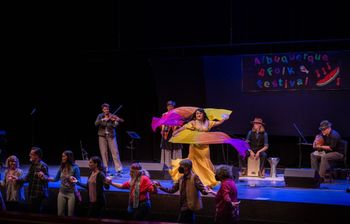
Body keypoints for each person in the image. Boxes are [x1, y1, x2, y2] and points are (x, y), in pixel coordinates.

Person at [170, 108, 228, 187]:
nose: (199, 115)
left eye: (200, 113)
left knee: (205, 161)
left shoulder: (208, 122)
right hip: (195, 145)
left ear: (203, 115)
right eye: (197, 113)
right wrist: (176, 131)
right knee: (193, 161)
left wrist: (224, 118)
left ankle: (206, 180)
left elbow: (218, 123)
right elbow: (184, 127)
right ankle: (192, 179)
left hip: (204, 146)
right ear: (195, 115)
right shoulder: (193, 123)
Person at [155, 159, 209, 223]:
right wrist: (161, 187)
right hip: (183, 206)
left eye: (181, 166)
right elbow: (172, 190)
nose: (180, 168)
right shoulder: (181, 178)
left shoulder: (194, 177)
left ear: (187, 167)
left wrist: (205, 190)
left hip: (189, 206)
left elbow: (202, 189)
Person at [11, 147, 49, 213]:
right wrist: (17, 179)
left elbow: (47, 178)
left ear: (36, 156)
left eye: (31, 154)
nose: (29, 155)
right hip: (32, 192)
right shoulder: (32, 165)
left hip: (39, 194)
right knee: (32, 212)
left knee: (37, 212)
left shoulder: (43, 165)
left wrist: (43, 176)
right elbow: (27, 177)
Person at [46, 150, 80, 216]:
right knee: (60, 214)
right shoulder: (62, 167)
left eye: (64, 156)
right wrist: (45, 178)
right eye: (62, 156)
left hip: (71, 194)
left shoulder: (75, 168)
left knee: (70, 215)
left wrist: (74, 180)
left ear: (68, 157)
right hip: (61, 193)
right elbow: (56, 179)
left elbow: (79, 181)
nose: (62, 158)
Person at [95, 103, 123, 176]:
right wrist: (103, 119)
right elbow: (96, 124)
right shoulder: (100, 116)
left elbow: (114, 125)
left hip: (111, 135)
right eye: (105, 109)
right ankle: (106, 168)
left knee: (115, 152)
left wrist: (116, 121)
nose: (106, 110)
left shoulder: (112, 116)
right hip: (102, 136)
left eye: (107, 109)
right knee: (104, 152)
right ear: (102, 110)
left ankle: (118, 168)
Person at [160, 100, 183, 169]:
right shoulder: (164, 114)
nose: (170, 107)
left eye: (172, 106)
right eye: (169, 106)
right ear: (167, 107)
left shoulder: (177, 114)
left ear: (174, 107)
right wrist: (162, 130)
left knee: (176, 148)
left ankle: (177, 164)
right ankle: (167, 164)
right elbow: (162, 123)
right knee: (167, 148)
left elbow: (180, 123)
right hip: (166, 133)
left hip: (175, 133)